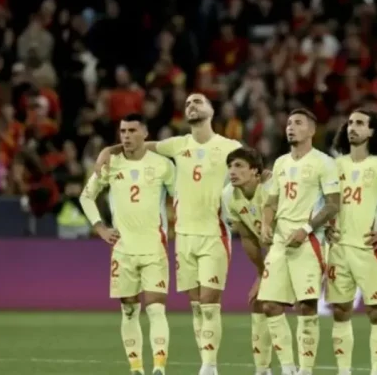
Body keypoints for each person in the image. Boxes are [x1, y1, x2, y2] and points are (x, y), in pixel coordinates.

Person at [96, 93, 241, 375]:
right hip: (184, 236)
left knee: (210, 304)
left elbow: (252, 170)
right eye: (187, 103)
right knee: (197, 306)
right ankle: (205, 362)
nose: (191, 105)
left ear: (212, 110)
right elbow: (138, 144)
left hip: (215, 233)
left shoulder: (229, 146)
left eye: (198, 102)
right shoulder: (176, 145)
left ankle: (209, 367)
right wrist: (108, 151)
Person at [80, 113, 175, 375]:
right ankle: (136, 368)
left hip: (154, 248)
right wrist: (100, 227)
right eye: (123, 131)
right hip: (122, 251)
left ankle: (159, 367)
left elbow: (180, 197)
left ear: (145, 133)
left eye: (132, 131)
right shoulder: (111, 164)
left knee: (156, 309)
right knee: (129, 311)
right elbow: (87, 197)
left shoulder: (163, 165)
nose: (126, 136)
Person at [259, 108, 340, 375]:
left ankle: (305, 371)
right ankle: (289, 368)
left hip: (309, 243)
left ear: (311, 131)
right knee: (269, 304)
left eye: (298, 123)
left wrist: (306, 229)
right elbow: (271, 201)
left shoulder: (324, 162)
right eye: (289, 123)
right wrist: (267, 223)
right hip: (281, 242)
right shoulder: (281, 163)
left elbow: (333, 205)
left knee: (306, 305)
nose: (290, 127)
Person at [326, 109, 377, 375]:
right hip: (339, 249)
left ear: (372, 131)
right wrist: (325, 230)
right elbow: (323, 202)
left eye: (359, 123)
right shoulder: (335, 166)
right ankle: (344, 371)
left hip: (370, 250)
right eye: (350, 123)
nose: (352, 127)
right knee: (341, 310)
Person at [221, 147, 274, 375]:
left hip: (297, 248)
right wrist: (261, 273)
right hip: (274, 255)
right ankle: (262, 370)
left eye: (239, 166)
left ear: (255, 171)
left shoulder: (271, 187)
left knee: (305, 306)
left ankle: (299, 368)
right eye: (230, 166)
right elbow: (247, 237)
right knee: (260, 303)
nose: (232, 171)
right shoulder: (227, 196)